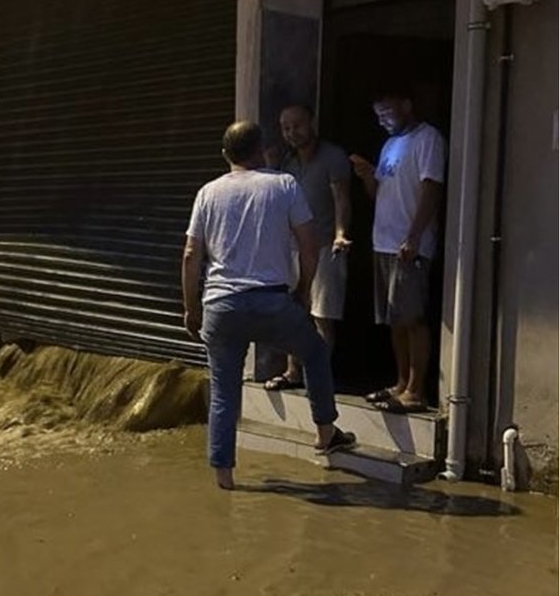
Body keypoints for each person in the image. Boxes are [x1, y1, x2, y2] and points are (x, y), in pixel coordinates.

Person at [182, 120, 356, 490]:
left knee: (225, 392)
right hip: (272, 302)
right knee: (314, 352)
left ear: (225, 154)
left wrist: (191, 308)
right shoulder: (283, 185)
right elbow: (309, 245)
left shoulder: (208, 193)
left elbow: (191, 255)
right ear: (262, 149)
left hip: (220, 306)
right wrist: (305, 290)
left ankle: (224, 478)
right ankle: (325, 434)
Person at [350, 87, 446, 414]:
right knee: (395, 319)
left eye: (388, 113)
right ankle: (401, 382)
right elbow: (380, 193)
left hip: (409, 245)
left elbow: (431, 189)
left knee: (413, 318)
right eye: (379, 116)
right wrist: (366, 176)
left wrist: (415, 236)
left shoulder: (428, 139)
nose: (383, 121)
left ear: (406, 104)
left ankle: (416, 391)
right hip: (383, 242)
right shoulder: (390, 144)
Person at [264, 104, 352, 391]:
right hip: (292, 248)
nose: (292, 133)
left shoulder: (333, 157)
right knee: (293, 313)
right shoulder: (287, 164)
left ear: (311, 122)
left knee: (322, 315)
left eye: (297, 125)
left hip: (325, 245)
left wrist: (341, 233)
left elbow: (341, 198)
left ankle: (319, 375)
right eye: (286, 128)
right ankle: (293, 372)